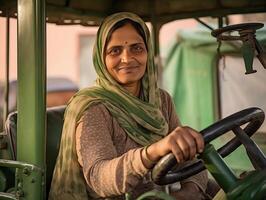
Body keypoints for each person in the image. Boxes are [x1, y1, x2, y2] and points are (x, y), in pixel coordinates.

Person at [49, 12, 209, 200]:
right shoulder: (92, 108)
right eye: (115, 51)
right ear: (101, 58)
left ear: (147, 53)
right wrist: (153, 151)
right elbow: (100, 177)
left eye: (137, 48)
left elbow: (188, 159)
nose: (127, 58)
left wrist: (190, 191)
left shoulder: (161, 100)